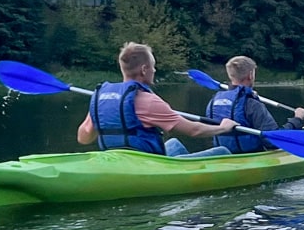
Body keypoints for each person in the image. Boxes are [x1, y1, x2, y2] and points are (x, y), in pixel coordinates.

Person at [78, 42, 237, 158]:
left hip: (116, 159)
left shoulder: (102, 99)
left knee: (174, 144)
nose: (154, 70)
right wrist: (223, 127)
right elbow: (194, 130)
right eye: (153, 66)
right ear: (144, 69)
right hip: (146, 164)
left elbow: (83, 138)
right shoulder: (149, 101)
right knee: (222, 152)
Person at [205, 55, 304, 154]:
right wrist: (297, 119)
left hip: (224, 155)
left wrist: (249, 96)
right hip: (252, 156)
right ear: (250, 75)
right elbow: (273, 141)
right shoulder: (252, 104)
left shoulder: (213, 101)